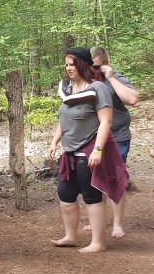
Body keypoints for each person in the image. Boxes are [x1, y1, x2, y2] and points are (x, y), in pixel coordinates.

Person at [47, 48, 127, 253]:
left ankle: (97, 243)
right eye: (66, 65)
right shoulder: (68, 89)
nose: (68, 69)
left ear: (82, 64)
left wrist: (98, 150)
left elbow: (106, 121)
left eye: (72, 64)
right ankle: (70, 236)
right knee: (66, 194)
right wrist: (55, 141)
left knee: (91, 196)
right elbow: (64, 119)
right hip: (69, 151)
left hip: (88, 149)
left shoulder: (98, 88)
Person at [81, 47, 139, 238]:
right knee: (95, 179)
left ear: (105, 64)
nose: (92, 71)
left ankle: (117, 224)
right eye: (89, 67)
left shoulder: (115, 78)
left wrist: (111, 78)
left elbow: (132, 99)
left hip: (117, 137)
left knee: (115, 179)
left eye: (96, 67)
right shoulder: (85, 81)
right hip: (92, 138)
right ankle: (100, 220)